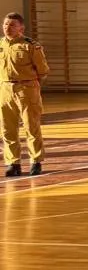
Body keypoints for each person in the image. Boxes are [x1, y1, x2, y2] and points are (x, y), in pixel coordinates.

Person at [1, 12, 48, 176]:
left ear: (21, 27)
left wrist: (31, 86)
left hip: (26, 89)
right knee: (7, 129)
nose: (8, 28)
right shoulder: (1, 44)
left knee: (31, 126)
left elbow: (42, 71)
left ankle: (36, 161)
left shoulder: (31, 45)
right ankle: (13, 163)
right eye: (6, 24)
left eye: (12, 25)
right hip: (5, 90)